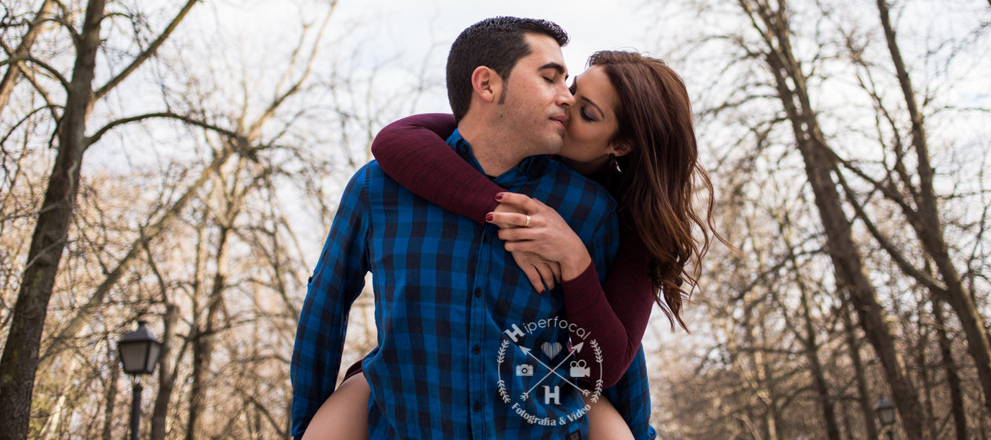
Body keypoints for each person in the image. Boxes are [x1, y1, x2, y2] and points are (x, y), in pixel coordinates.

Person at [303, 48, 720, 438]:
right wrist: (502, 210)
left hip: (557, 382)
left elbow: (618, 356)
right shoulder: (510, 143)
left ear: (620, 144)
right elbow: (396, 139)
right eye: (571, 88)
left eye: (587, 113)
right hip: (421, 376)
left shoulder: (621, 221)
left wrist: (574, 258)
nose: (565, 103)